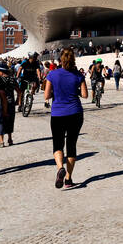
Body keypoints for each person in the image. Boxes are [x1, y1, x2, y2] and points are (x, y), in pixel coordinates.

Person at [45, 49, 88, 189]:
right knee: (71, 145)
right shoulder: (78, 75)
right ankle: (68, 179)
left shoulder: (52, 74)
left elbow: (46, 96)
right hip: (75, 112)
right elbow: (85, 95)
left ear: (60, 60)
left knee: (58, 144)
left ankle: (59, 168)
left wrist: (56, 91)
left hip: (58, 113)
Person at [0, 64, 18, 147]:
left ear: (1, 72)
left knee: (0, 121)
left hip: (1, 102)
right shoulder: (12, 79)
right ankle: (10, 139)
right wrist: (18, 100)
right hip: (11, 102)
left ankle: (1, 141)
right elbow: (18, 90)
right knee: (10, 120)